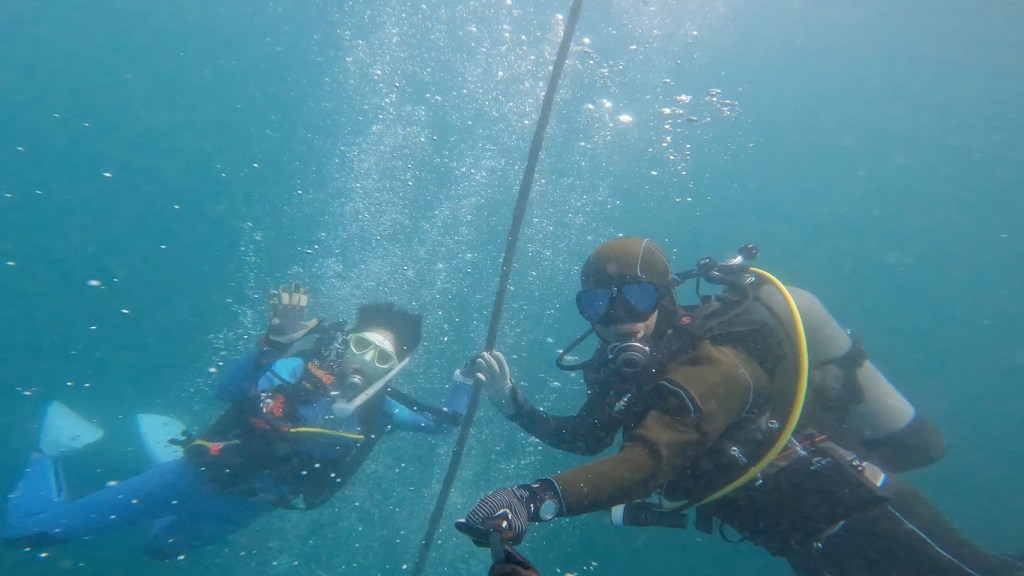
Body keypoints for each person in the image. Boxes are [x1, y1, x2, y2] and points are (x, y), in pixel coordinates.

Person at [455, 237, 1023, 576]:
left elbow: (647, 462)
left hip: (865, 512)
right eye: (598, 303)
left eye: (637, 297)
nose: (618, 317)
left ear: (665, 298)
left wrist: (534, 498)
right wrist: (513, 405)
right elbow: (587, 438)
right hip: (803, 545)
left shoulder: (718, 363)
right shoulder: (621, 372)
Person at [5, 283, 471, 558]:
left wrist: (464, 382)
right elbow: (228, 392)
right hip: (190, 476)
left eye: (380, 356)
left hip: (243, 508)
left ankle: (148, 476)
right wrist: (274, 345)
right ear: (345, 342)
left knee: (158, 552)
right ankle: (49, 453)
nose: (364, 360)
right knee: (31, 535)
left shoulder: (380, 410)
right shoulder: (297, 370)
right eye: (361, 344)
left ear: (391, 369)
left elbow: (447, 424)